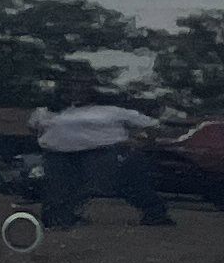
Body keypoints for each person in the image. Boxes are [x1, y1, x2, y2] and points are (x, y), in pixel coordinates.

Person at [33, 74, 173, 228]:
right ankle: (58, 218)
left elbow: (152, 126)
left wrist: (144, 144)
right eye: (71, 86)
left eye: (81, 86)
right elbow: (33, 127)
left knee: (123, 184)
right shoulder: (45, 112)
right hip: (58, 156)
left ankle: (155, 214)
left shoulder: (111, 111)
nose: (75, 90)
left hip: (102, 155)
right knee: (59, 188)